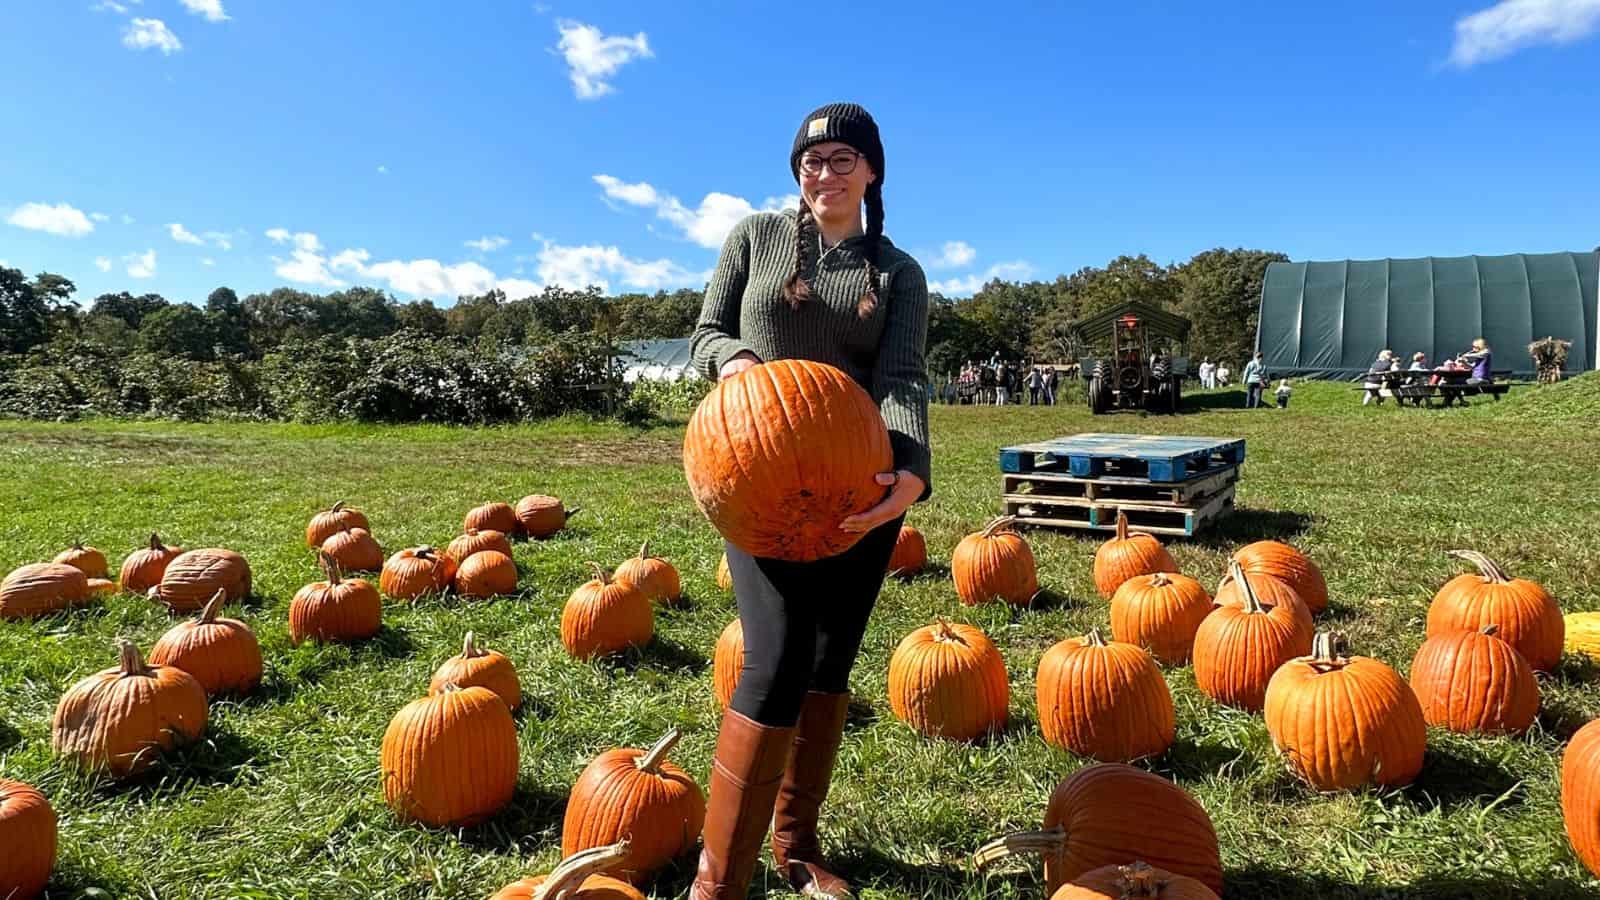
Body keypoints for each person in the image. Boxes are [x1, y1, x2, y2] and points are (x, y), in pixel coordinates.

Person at [686, 102, 930, 900]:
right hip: (757, 476)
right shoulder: (755, 237)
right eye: (810, 161)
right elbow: (706, 332)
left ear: (871, 171)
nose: (823, 173)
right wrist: (737, 363)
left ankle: (796, 844)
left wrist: (910, 472)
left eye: (841, 159)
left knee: (828, 666)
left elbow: (901, 379)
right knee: (778, 655)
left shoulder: (896, 272)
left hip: (855, 486)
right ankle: (718, 881)